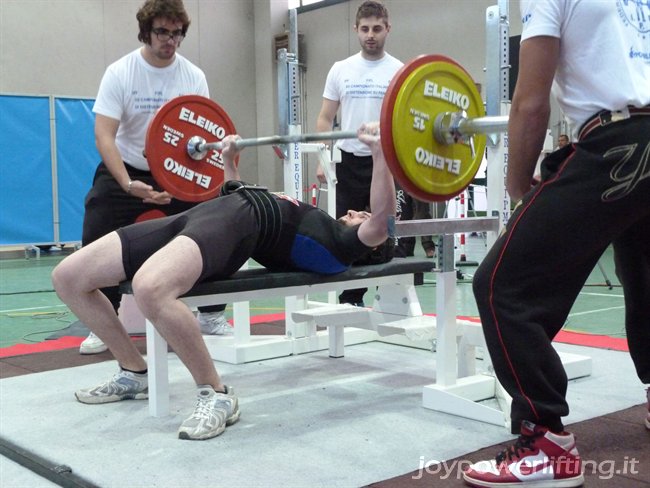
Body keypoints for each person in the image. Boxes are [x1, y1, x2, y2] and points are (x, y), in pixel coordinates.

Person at [51, 123, 395, 441]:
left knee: (151, 288)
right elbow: (238, 191)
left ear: (372, 244)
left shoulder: (339, 247)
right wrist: (230, 160)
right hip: (208, 214)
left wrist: (380, 152)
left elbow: (382, 219)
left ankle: (216, 394)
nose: (354, 213)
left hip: (236, 227)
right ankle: (133, 371)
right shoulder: (320, 221)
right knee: (68, 277)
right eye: (358, 212)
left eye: (361, 216)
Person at [465, 1, 650, 486]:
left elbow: (530, 102)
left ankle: (545, 441)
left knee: (502, 285)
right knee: (647, 278)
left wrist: (517, 183)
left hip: (617, 146)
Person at [79, 0, 228, 355]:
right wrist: (128, 185)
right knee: (96, 229)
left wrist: (187, 181)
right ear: (146, 31)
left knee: (215, 225)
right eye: (162, 32)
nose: (170, 40)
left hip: (178, 169)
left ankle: (210, 312)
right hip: (127, 169)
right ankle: (104, 322)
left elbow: (202, 135)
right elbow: (104, 136)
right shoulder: (121, 72)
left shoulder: (193, 76)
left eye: (177, 33)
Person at [315, 0, 403, 306]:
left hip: (387, 162)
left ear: (387, 29)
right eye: (365, 29)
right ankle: (350, 299)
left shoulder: (399, 71)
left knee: (388, 232)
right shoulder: (341, 69)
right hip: (348, 163)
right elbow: (326, 118)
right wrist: (322, 157)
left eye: (377, 29)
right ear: (356, 30)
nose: (371, 35)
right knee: (348, 234)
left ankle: (391, 297)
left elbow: (403, 120)